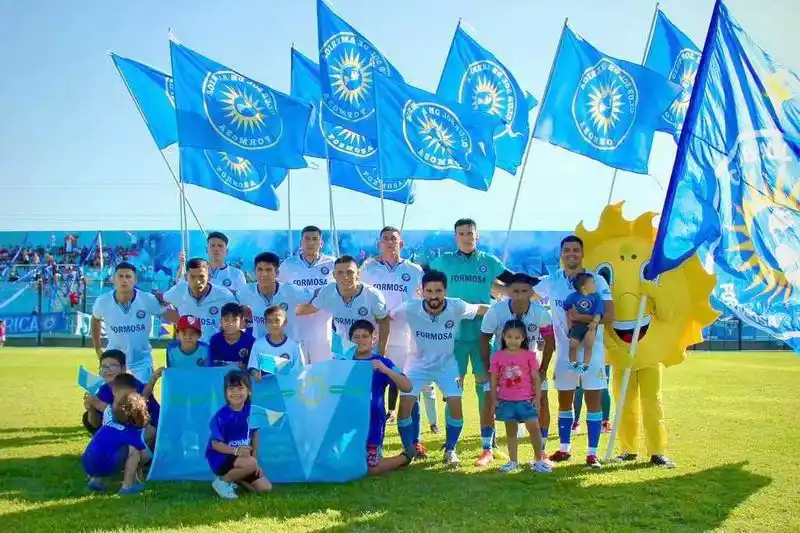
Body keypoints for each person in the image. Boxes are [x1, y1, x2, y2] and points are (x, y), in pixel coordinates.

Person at [429, 218, 516, 442]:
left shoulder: (489, 261)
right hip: (452, 335)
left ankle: (489, 441)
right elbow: (424, 280)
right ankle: (451, 443)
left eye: (470, 233)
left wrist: (543, 285)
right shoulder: (444, 261)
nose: (467, 238)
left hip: (482, 334)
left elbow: (514, 281)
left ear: (477, 235)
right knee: (452, 388)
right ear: (455, 237)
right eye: (462, 234)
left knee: (485, 387)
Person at [391, 270, 489, 466]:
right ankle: (409, 450)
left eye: (438, 291)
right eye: (429, 291)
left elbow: (480, 309)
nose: (434, 296)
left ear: (445, 290)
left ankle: (450, 450)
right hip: (417, 365)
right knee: (404, 408)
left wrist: (507, 308)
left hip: (447, 366)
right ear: (421, 291)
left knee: (455, 407)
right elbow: (386, 317)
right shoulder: (409, 308)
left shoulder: (456, 306)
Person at [532, 236, 614, 469]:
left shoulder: (596, 280)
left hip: (592, 352)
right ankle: (565, 449)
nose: (571, 254)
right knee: (565, 401)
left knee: (593, 401)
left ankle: (592, 454)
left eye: (576, 250)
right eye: (567, 250)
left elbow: (609, 316)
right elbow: (525, 296)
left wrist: (581, 318)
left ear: (582, 253)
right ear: (561, 253)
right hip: (564, 352)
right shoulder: (552, 281)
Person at [360, 226, 438, 434]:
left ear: (401, 244)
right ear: (379, 245)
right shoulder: (368, 270)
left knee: (410, 388)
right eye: (385, 239)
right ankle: (372, 439)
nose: (389, 242)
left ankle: (415, 438)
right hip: (375, 338)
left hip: (405, 338)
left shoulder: (414, 271)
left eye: (393, 239)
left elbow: (424, 303)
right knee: (374, 389)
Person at [476, 273, 555, 467]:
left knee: (542, 402)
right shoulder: (496, 311)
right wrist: (488, 368)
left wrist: (543, 368)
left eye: (524, 291)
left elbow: (551, 341)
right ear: (509, 292)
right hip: (501, 367)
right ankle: (487, 450)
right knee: (489, 402)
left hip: (531, 368)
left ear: (531, 293)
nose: (519, 295)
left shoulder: (541, 313)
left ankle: (541, 451)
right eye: (515, 291)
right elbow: (484, 338)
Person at [338, 319, 417, 475]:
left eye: (365, 336)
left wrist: (384, 370)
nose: (360, 340)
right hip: (346, 423)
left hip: (373, 424)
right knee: (342, 464)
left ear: (373, 339)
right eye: (356, 337)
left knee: (370, 469)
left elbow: (407, 386)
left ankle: (405, 456)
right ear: (350, 340)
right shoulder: (342, 362)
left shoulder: (382, 362)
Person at [297, 255, 389, 358]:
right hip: (341, 349)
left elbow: (384, 321)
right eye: (340, 273)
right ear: (334, 275)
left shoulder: (373, 295)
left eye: (350, 272)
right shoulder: (328, 292)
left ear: (358, 274)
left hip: (367, 350)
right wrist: (284, 309)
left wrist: (381, 353)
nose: (345, 277)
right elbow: (310, 308)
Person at [490, 320, 551, 473]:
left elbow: (536, 378)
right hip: (506, 400)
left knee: (534, 429)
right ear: (503, 336)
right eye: (509, 337)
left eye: (517, 337)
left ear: (524, 338)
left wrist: (537, 398)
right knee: (511, 432)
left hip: (526, 400)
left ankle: (538, 461)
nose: (513, 341)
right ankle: (513, 461)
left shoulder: (529, 356)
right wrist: (494, 398)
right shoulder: (498, 356)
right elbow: (494, 379)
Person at [91, 262, 164, 382]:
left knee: (142, 396)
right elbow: (95, 319)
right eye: (120, 276)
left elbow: (169, 314)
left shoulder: (147, 299)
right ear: (113, 280)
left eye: (128, 276)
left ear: (135, 281)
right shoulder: (103, 302)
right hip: (114, 358)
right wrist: (98, 348)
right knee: (111, 397)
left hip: (141, 359)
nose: (124, 280)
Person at [206, 370, 272, 499]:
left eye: (240, 388)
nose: (235, 393)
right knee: (251, 464)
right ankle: (223, 482)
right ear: (225, 393)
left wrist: (254, 461)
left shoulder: (252, 412)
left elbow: (255, 435)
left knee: (265, 489)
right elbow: (215, 445)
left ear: (249, 391)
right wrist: (236, 451)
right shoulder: (221, 416)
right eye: (231, 389)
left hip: (244, 460)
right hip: (221, 458)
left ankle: (237, 478)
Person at [278, 225, 336, 363]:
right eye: (307, 239)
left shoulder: (332, 264)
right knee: (298, 374)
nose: (310, 243)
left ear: (321, 243)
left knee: (322, 375)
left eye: (315, 239)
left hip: (322, 332)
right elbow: (279, 292)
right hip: (295, 330)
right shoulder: (288, 265)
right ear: (301, 243)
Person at [81, 391, 151, 494]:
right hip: (106, 464)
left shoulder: (107, 425)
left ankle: (97, 480)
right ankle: (128, 487)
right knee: (134, 451)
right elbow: (145, 456)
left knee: (103, 450)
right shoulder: (131, 432)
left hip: (87, 464)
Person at [237, 252, 311, 341]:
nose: (264, 274)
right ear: (254, 272)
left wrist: (299, 311)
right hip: (260, 347)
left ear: (277, 272)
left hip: (288, 347)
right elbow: (230, 301)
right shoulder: (247, 291)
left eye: (268, 270)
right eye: (260, 269)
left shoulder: (291, 290)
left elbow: (318, 297)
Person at [162, 258, 237, 343]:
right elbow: (159, 301)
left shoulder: (224, 295)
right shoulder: (179, 291)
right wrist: (176, 319)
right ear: (186, 277)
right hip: (188, 351)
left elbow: (239, 316)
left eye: (201, 277)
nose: (197, 281)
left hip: (214, 351)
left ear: (208, 276)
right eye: (193, 277)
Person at [176, 232, 247, 294]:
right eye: (212, 246)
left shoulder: (236, 274)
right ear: (207, 250)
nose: (216, 249)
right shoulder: (196, 271)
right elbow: (180, 287)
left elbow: (243, 298)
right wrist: (182, 265)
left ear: (226, 251)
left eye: (220, 246)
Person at [248, 305, 306, 379]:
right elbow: (252, 366)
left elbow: (300, 370)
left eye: (277, 320)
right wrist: (255, 373)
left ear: (285, 322)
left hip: (287, 387)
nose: (274, 324)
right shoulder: (258, 345)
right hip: (266, 387)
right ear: (265, 324)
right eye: (269, 321)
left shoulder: (294, 346)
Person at [563, 273, 604, 372]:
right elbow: (567, 309)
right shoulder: (572, 297)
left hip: (591, 325)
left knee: (589, 345)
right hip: (577, 325)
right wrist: (569, 323)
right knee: (573, 345)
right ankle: (574, 365)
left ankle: (585, 365)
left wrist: (594, 323)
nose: (595, 285)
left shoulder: (596, 297)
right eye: (592, 283)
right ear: (583, 287)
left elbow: (598, 313)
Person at [209, 303, 255, 367]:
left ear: (242, 321)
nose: (230, 324)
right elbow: (211, 364)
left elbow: (252, 367)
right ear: (221, 321)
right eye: (226, 320)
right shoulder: (215, 339)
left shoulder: (250, 341)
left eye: (234, 320)